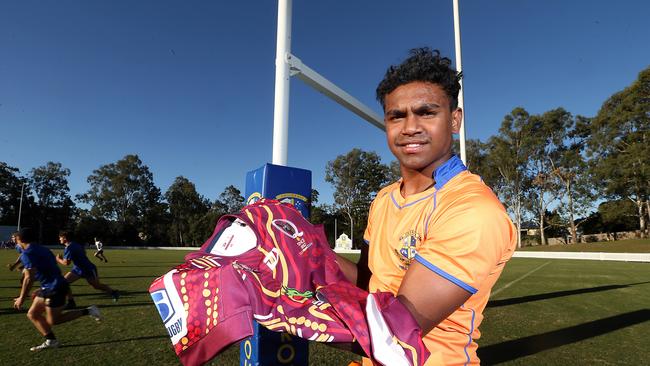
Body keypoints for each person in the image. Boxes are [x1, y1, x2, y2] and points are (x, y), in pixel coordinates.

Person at [336, 48, 517, 365]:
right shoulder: (384, 198)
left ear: (455, 120)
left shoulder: (473, 209)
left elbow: (395, 337)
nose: (410, 127)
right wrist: (303, 253)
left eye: (426, 112)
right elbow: (367, 282)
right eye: (397, 116)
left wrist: (275, 305)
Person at [12, 227, 102, 351]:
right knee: (32, 314)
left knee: (53, 321)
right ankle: (51, 340)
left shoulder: (27, 253)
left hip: (55, 288)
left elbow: (29, 278)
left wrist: (22, 298)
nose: (15, 241)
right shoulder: (44, 249)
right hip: (50, 286)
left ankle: (88, 311)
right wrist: (42, 288)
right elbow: (49, 270)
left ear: (20, 239)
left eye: (16, 239)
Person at [56, 231, 119, 308]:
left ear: (65, 238)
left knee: (96, 286)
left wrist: (58, 259)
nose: (59, 239)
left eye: (60, 237)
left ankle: (113, 292)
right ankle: (71, 302)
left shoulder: (69, 247)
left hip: (88, 269)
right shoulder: (76, 244)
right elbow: (83, 252)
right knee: (64, 283)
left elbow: (66, 263)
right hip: (78, 269)